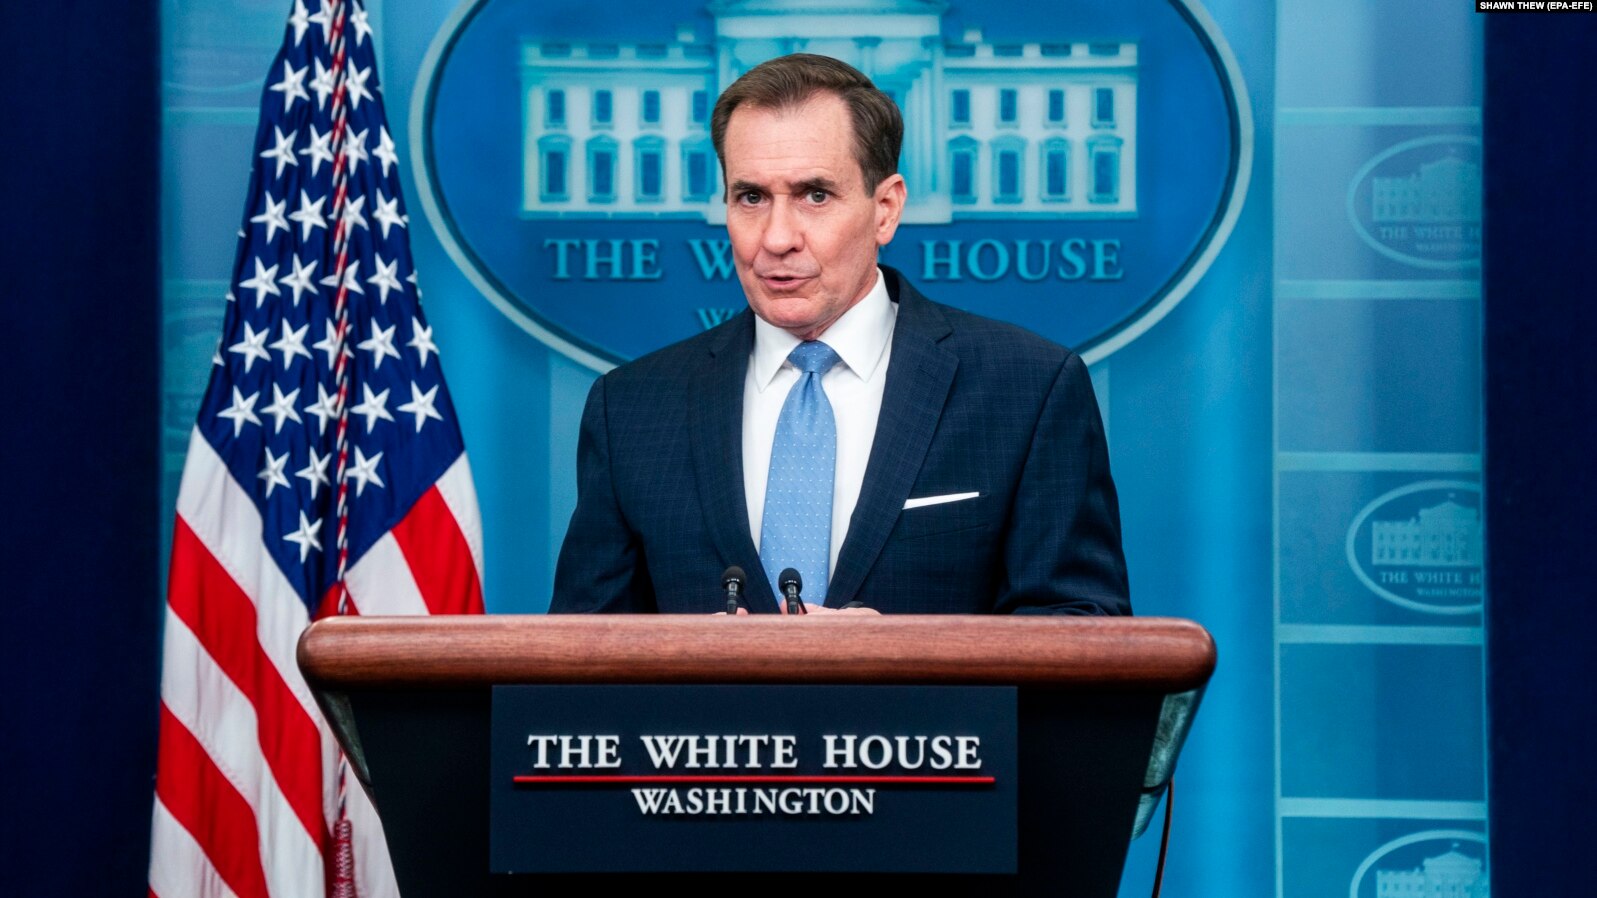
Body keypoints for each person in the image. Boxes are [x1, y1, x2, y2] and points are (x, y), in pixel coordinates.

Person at [550, 54, 1129, 616]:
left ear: (886, 209)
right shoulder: (630, 408)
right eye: (751, 197)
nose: (777, 238)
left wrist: (899, 658)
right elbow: (579, 659)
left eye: (815, 195)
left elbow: (1083, 629)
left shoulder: (1029, 390)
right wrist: (697, 662)